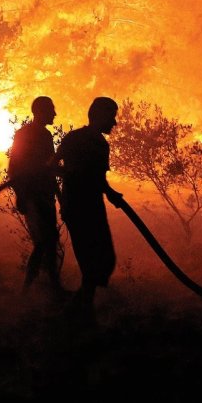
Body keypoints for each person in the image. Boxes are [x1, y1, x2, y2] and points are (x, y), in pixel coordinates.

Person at [55, 96, 127, 319]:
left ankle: (81, 308)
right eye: (112, 117)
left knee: (101, 259)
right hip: (81, 208)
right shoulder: (88, 142)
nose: (114, 123)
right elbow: (52, 167)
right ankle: (78, 313)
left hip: (89, 206)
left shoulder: (89, 141)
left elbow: (97, 178)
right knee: (93, 261)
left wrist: (110, 193)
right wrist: (65, 194)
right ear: (99, 115)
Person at [7, 96, 65, 296]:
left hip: (44, 195)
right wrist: (21, 195)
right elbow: (13, 168)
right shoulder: (24, 135)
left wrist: (59, 195)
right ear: (40, 111)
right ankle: (29, 289)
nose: (55, 114)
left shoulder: (46, 136)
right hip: (33, 196)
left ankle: (50, 286)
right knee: (43, 241)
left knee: (49, 241)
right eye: (51, 110)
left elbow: (50, 168)